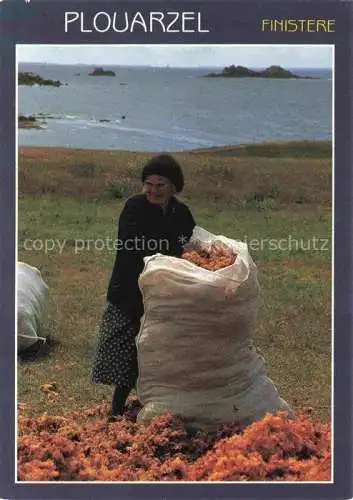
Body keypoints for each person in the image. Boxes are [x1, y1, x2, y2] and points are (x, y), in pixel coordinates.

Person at [92, 154, 196, 418]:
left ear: (174, 187)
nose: (153, 190)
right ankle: (116, 410)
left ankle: (160, 405)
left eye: (160, 185)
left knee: (162, 351)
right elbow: (130, 246)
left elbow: (190, 244)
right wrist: (164, 260)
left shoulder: (181, 213)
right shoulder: (134, 208)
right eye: (148, 184)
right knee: (128, 353)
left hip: (167, 292)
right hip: (130, 287)